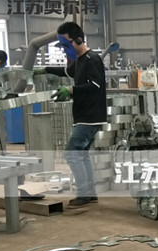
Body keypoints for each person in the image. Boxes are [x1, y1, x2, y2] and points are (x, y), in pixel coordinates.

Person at [38, 22, 107, 208]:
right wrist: (45, 69)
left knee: (71, 153)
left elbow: (95, 85)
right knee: (81, 154)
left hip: (91, 116)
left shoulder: (92, 59)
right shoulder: (80, 60)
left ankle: (84, 193)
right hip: (83, 114)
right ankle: (89, 193)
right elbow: (66, 71)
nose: (64, 49)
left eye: (66, 45)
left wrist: (71, 90)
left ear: (78, 40)